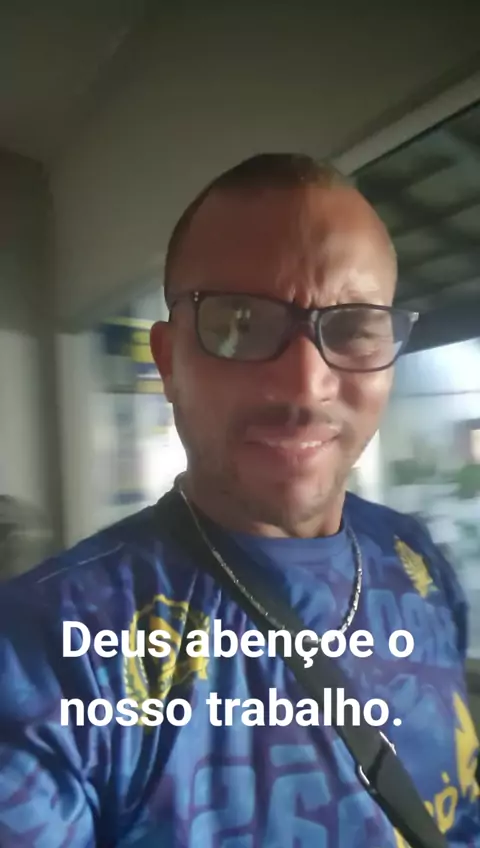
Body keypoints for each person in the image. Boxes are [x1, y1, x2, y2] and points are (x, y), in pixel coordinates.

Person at [0, 153, 478, 848]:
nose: (306, 385)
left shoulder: (419, 560)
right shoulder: (46, 654)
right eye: (239, 323)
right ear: (169, 361)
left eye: (352, 327)